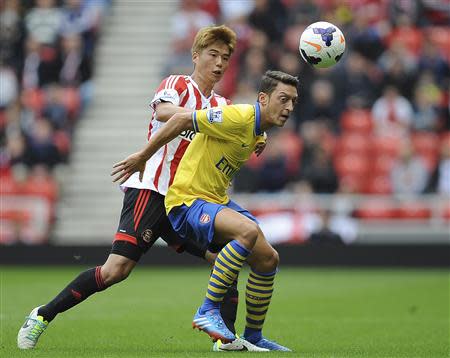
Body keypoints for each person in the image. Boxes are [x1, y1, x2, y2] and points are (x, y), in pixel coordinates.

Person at [18, 25, 265, 352]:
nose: (219, 63)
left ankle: (228, 340)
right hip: (151, 189)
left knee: (226, 258)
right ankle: (42, 315)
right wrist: (210, 118)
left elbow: (240, 131)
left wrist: (256, 137)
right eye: (212, 54)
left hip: (187, 202)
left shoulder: (223, 103)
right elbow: (164, 112)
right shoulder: (178, 84)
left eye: (225, 57)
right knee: (115, 271)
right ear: (195, 55)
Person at [112, 70, 298, 351]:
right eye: (283, 99)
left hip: (214, 201)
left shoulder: (256, 130)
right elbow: (182, 118)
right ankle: (207, 311)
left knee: (268, 258)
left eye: (294, 101)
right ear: (263, 98)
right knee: (247, 232)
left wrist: (259, 138)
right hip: (186, 201)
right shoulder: (240, 116)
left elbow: (243, 137)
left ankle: (253, 336)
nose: (289, 108)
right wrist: (143, 156)